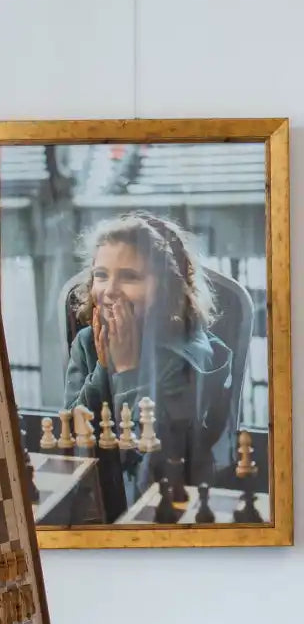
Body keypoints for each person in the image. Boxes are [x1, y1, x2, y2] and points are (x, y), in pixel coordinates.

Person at [64, 212, 234, 498]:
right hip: (99, 494)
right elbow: (72, 440)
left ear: (166, 287)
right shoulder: (87, 343)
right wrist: (104, 368)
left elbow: (150, 462)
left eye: (130, 277)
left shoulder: (192, 353)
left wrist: (127, 368)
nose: (110, 291)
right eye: (101, 275)